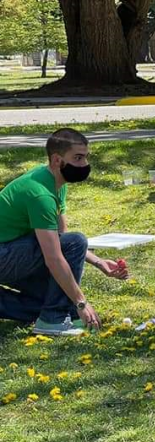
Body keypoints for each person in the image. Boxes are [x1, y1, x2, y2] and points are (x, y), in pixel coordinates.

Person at [0, 129, 129, 336]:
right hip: (4, 254)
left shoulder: (56, 182)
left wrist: (99, 262)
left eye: (86, 157)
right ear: (57, 160)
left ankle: (51, 312)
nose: (84, 164)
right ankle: (53, 320)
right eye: (78, 158)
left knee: (52, 298)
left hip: (10, 251)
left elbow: (61, 238)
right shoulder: (40, 194)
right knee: (76, 244)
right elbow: (56, 256)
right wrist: (80, 303)